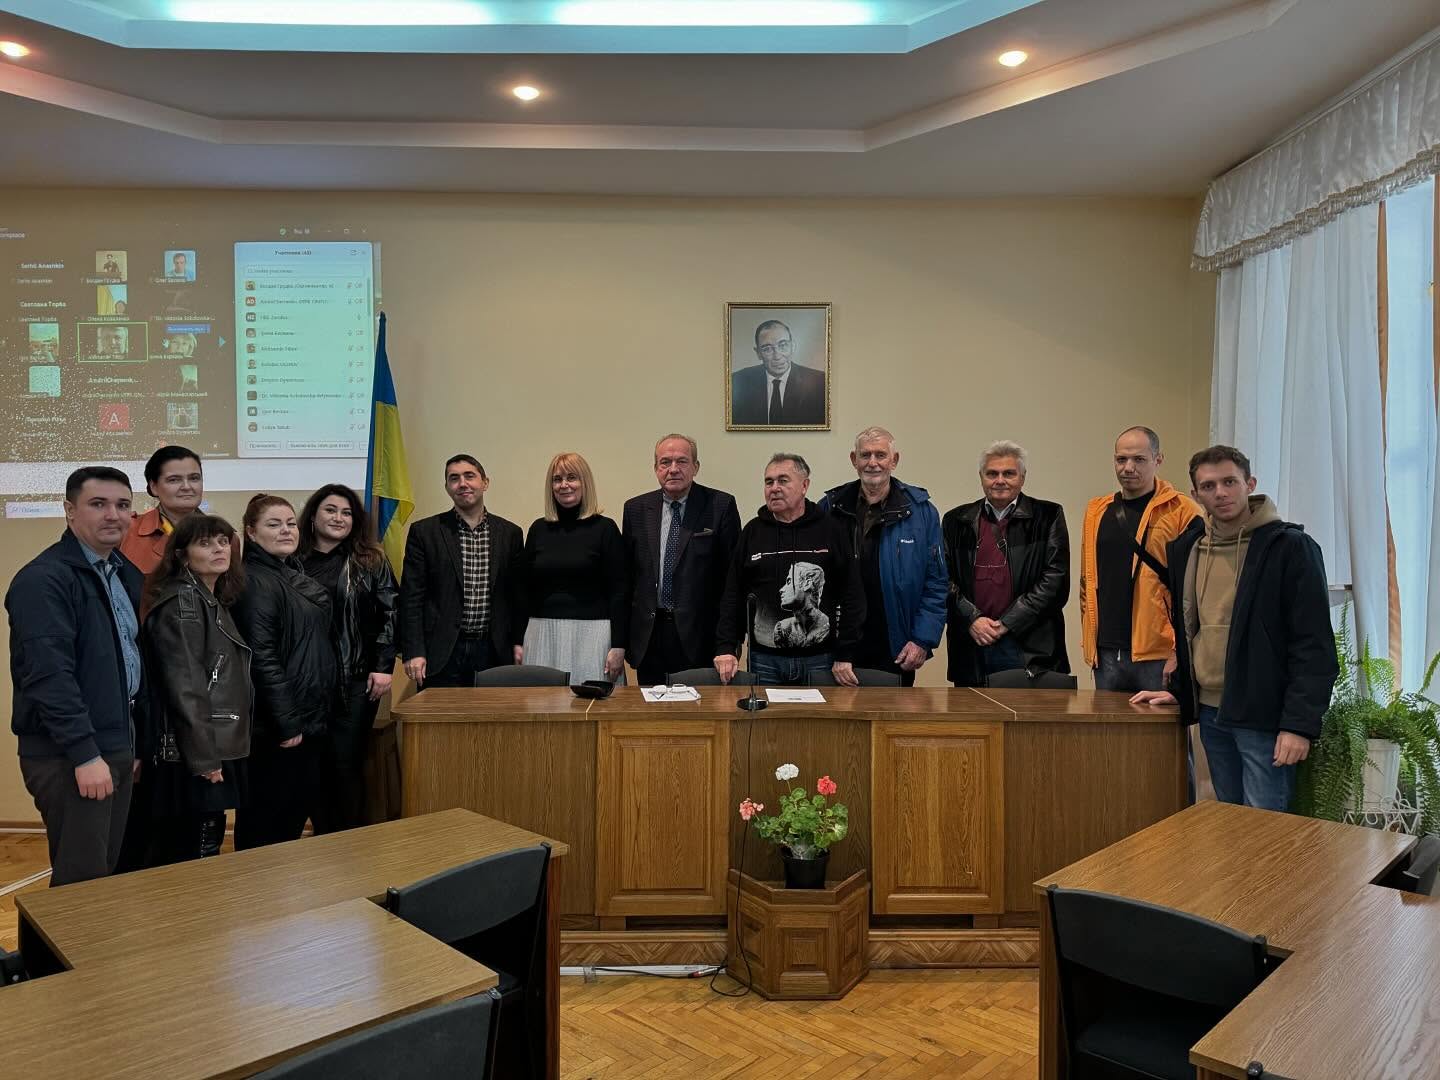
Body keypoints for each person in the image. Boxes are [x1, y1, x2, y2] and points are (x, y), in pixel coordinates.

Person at [1132, 446, 1338, 811]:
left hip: (1265, 717)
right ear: (1195, 494)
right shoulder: (1187, 550)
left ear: (1250, 484)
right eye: (1208, 486)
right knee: (1229, 823)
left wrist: (1298, 726)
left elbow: (1314, 646)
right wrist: (1182, 690)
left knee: (1264, 829)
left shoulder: (1290, 548)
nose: (1221, 493)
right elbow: (1191, 629)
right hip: (1211, 714)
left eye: (1230, 482)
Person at [7, 466, 143, 885]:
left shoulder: (121, 573)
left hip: (113, 745)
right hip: (69, 754)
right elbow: (49, 676)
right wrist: (85, 754)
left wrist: (129, 745)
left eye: (122, 505)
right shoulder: (43, 580)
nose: (113, 515)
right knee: (80, 882)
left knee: (99, 875)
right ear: (69, 510)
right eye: (98, 504)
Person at [141, 514, 251, 863]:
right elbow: (185, 685)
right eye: (205, 543)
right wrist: (204, 757)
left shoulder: (209, 598)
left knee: (207, 839)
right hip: (193, 750)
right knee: (194, 847)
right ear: (182, 556)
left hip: (211, 740)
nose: (219, 549)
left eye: (223, 541)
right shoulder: (184, 604)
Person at [231, 494, 338, 849]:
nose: (286, 531)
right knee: (268, 824)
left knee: (290, 820)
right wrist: (287, 723)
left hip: (306, 717)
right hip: (279, 727)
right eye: (274, 524)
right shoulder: (255, 581)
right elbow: (261, 658)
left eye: (291, 523)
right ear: (251, 532)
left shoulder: (287, 573)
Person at [714, 453, 866, 686]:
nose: (774, 488)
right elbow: (733, 594)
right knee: (764, 712)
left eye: (783, 481)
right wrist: (726, 647)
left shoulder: (830, 530)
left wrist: (846, 653)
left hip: (821, 660)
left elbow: (852, 595)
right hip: (764, 661)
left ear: (804, 486)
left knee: (821, 712)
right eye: (769, 482)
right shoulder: (753, 532)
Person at [299, 484, 397, 830]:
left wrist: (383, 666)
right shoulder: (292, 560)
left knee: (345, 763)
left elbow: (391, 612)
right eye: (330, 510)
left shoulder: (370, 560)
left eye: (346, 513)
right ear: (313, 516)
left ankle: (347, 840)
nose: (338, 518)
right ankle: (323, 836)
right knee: (312, 765)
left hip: (355, 680)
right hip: (306, 682)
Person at [818, 426, 948, 685]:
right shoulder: (830, 508)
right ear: (854, 460)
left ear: (894, 460)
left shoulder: (921, 512)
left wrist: (922, 639)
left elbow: (936, 584)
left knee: (891, 711)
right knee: (838, 711)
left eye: (880, 455)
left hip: (896, 644)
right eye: (865, 455)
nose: (872, 463)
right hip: (838, 644)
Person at [1080, 427, 1201, 692]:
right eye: (1121, 459)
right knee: (1106, 721)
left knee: (1160, 721)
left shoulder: (1182, 511)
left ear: (1158, 460)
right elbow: (1086, 582)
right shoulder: (1097, 511)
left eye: (1139, 459)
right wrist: (1090, 640)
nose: (1128, 467)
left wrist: (1179, 651)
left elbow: (1196, 589)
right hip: (1106, 651)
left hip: (1159, 653)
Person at [943, 440, 1069, 686]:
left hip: (1029, 646)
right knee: (972, 712)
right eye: (992, 474)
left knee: (1027, 713)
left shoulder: (1048, 516)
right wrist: (972, 619)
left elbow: (1055, 580)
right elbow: (942, 578)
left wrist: (1007, 623)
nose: (1000, 480)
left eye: (1009, 473)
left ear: (1022, 477)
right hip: (972, 644)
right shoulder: (956, 520)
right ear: (981, 477)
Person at [622, 434, 741, 685]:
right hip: (649, 637)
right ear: (655, 468)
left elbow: (732, 582)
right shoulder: (635, 509)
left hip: (700, 638)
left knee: (699, 708)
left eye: (682, 461)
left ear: (695, 467)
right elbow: (628, 579)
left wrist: (727, 643)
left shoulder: (721, 506)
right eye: (665, 462)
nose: (673, 469)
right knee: (650, 707)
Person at [399, 454, 526, 688]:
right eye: (454, 478)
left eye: (470, 476)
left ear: (485, 482)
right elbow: (411, 597)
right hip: (441, 652)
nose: (462, 483)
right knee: (439, 713)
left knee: (492, 713)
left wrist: (519, 642)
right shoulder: (424, 532)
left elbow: (518, 596)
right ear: (447, 487)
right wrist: (414, 650)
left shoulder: (510, 534)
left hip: (494, 651)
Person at [521, 453, 626, 683]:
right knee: (541, 703)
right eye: (557, 479)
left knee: (592, 703)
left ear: (584, 482)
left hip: (593, 636)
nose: (564, 485)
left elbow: (620, 592)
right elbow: (524, 589)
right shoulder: (538, 530)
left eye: (571, 477)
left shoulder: (605, 529)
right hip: (542, 634)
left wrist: (619, 645)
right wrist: (518, 640)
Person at [120, 445, 204, 575]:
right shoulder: (126, 531)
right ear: (154, 487)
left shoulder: (224, 535)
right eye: (174, 480)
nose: (187, 487)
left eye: (194, 478)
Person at [730, 320, 826, 426]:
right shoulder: (737, 382)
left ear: (792, 346)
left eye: (783, 345)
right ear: (758, 353)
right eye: (767, 349)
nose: (777, 356)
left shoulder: (820, 383)